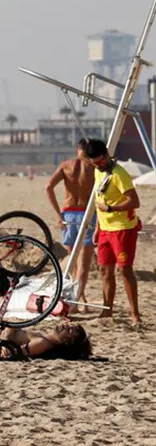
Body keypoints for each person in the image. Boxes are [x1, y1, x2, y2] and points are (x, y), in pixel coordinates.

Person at [84, 138, 142, 325]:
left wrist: (111, 209)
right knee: (104, 270)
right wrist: (99, 228)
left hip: (122, 229)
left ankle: (135, 314)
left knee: (125, 270)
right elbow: (99, 200)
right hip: (105, 230)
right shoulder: (97, 171)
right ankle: (107, 311)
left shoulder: (119, 174)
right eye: (93, 163)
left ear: (107, 156)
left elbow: (134, 201)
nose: (98, 165)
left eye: (100, 161)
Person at [45, 138, 95, 308]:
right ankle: (76, 300)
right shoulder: (94, 167)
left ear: (78, 149)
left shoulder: (66, 165)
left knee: (73, 263)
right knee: (83, 265)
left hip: (68, 215)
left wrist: (58, 214)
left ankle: (76, 299)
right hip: (87, 214)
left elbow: (48, 187)